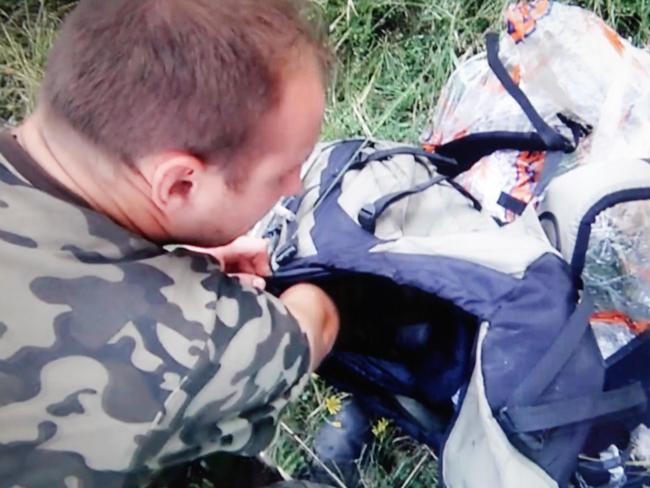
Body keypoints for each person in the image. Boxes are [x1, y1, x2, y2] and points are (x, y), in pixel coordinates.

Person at [0, 0, 340, 486]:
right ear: (180, 184)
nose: (296, 188)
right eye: (285, 170)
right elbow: (313, 328)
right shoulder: (181, 345)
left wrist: (165, 262)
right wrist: (304, 291)